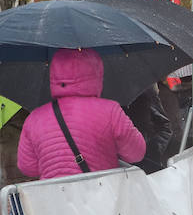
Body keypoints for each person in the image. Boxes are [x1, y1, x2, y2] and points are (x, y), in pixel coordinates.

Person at [17, 49, 146, 180]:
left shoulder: (34, 118)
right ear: (97, 73)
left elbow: (28, 167)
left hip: (53, 198)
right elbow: (136, 153)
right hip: (103, 195)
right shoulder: (110, 110)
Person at [124, 84, 174, 173]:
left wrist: (154, 149)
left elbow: (165, 125)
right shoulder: (110, 98)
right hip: (125, 166)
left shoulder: (145, 90)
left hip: (150, 162)